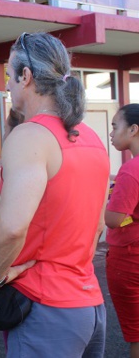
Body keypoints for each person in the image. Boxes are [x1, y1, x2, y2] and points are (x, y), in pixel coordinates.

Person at [0, 32, 109, 357]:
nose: (7, 86)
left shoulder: (30, 136)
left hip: (47, 308)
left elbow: (11, 228)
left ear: (26, 77)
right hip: (89, 305)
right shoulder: (91, 137)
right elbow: (97, 228)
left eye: (9, 76)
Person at [105, 103, 139, 358]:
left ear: (134, 130)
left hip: (129, 261)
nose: (111, 132)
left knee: (137, 335)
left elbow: (114, 219)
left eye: (116, 126)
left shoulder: (131, 170)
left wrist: (104, 199)